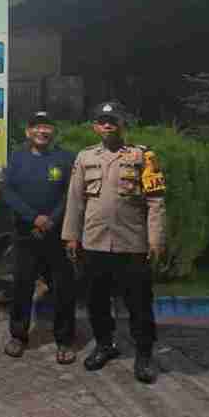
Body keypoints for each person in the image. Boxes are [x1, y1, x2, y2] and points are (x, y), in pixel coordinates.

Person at [61, 101, 166, 383]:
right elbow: (75, 200)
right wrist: (71, 236)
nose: (107, 125)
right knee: (96, 301)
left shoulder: (143, 156)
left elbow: (155, 202)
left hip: (132, 244)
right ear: (95, 127)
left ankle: (144, 355)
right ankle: (104, 345)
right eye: (102, 121)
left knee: (139, 304)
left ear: (122, 124)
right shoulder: (85, 157)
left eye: (113, 120)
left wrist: (155, 240)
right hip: (95, 243)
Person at [1, 111, 78, 363]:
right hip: (26, 234)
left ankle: (64, 340)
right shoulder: (17, 158)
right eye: (36, 126)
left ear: (53, 131)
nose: (42, 131)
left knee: (63, 288)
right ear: (28, 131)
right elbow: (8, 191)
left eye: (47, 127)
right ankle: (18, 336)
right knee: (22, 287)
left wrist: (52, 219)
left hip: (58, 234)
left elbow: (71, 193)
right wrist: (33, 217)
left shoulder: (65, 158)